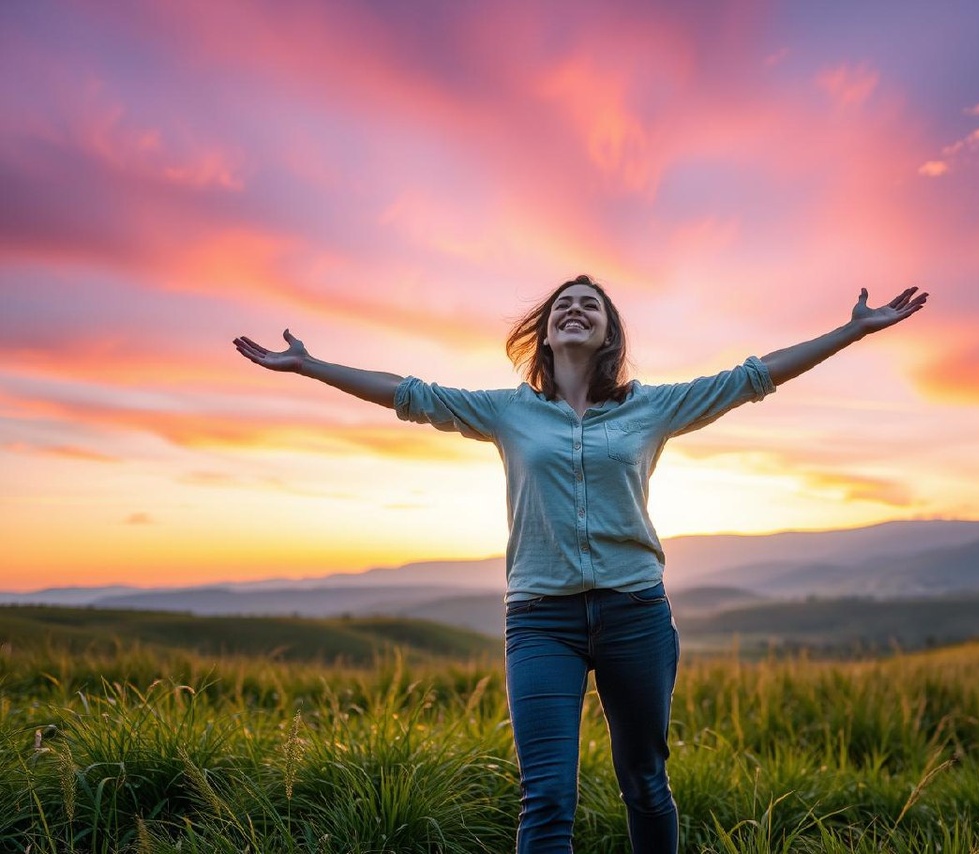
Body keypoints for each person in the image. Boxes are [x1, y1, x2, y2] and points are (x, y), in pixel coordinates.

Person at [233, 274, 928, 853]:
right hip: (541, 621)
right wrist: (311, 366)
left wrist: (853, 330)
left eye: (589, 304)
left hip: (635, 616)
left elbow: (751, 378)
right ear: (546, 331)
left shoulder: (653, 408)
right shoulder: (509, 413)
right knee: (546, 800)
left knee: (645, 784)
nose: (574, 307)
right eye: (563, 302)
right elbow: (412, 395)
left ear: (608, 336)